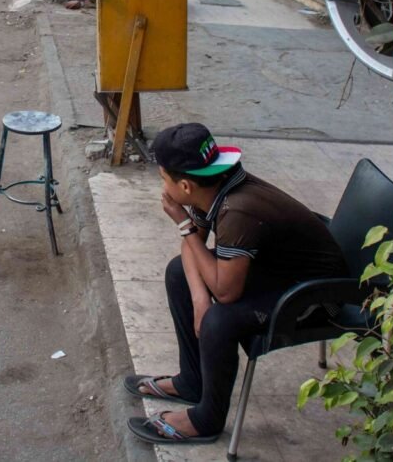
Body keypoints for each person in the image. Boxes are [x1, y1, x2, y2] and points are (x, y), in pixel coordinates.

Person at [124, 122, 348, 445]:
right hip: (280, 272)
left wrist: (184, 224)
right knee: (179, 273)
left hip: (316, 296)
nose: (162, 186)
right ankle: (192, 381)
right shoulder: (215, 183)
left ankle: (206, 420)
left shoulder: (237, 211)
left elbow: (226, 292)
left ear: (185, 187)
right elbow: (191, 254)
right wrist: (200, 298)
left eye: (163, 178)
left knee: (219, 320)